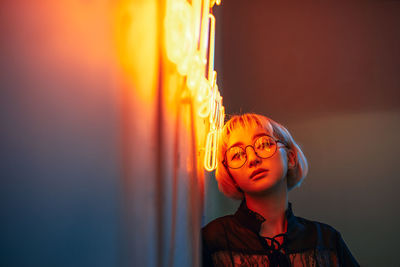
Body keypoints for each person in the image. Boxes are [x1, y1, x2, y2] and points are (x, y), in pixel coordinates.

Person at [202, 113, 359, 267]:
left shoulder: (326, 240)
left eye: (264, 144)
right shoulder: (212, 240)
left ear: (290, 158)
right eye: (237, 154)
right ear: (230, 174)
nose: (252, 159)